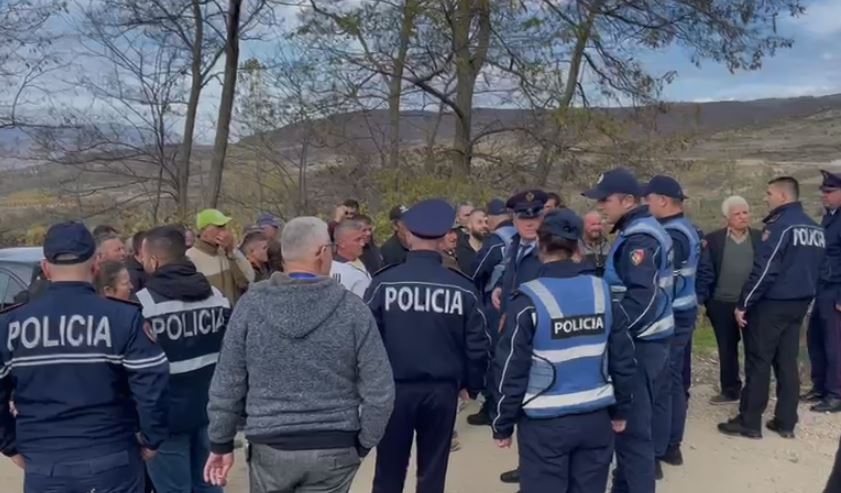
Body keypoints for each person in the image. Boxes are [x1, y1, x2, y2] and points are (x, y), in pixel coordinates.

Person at [204, 217, 395, 492]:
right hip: (335, 444)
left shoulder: (250, 306)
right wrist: (365, 442)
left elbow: (227, 381)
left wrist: (220, 441)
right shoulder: (353, 310)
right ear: (322, 252)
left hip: (270, 444)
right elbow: (380, 390)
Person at [0, 221, 169, 493]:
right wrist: (152, 439)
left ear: (45, 268)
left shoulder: (10, 325)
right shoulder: (123, 317)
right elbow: (152, 386)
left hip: (45, 464)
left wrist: (9, 445)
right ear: (96, 266)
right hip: (113, 460)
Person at [491, 209, 636, 493]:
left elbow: (511, 367)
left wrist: (503, 423)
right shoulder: (602, 292)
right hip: (596, 418)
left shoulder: (528, 299)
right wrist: (621, 410)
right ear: (578, 247)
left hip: (545, 424)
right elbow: (623, 357)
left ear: (540, 245)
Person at [365, 199, 490, 493]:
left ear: (408, 235)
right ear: (445, 237)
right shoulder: (461, 286)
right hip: (441, 391)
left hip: (393, 390)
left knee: (388, 470)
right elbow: (478, 344)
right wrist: (472, 385)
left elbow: (366, 339)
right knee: (433, 471)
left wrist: (368, 385)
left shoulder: (384, 283)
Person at [582, 167, 675, 493]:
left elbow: (643, 300)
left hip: (640, 345)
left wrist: (615, 336)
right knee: (631, 431)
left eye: (605, 200)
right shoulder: (640, 230)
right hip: (650, 343)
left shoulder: (639, 239)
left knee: (633, 433)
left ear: (627, 200)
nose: (600, 207)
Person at [719, 176, 825, 440]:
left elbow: (766, 269)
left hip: (772, 305)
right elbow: (819, 269)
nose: (766, 198)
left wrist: (744, 303)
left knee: (759, 361)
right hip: (799, 304)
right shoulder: (815, 228)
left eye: (769, 193)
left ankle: (750, 422)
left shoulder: (781, 227)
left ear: (782, 196)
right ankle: (786, 421)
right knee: (787, 361)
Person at [134, 226, 231, 493]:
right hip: (211, 412)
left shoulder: (142, 304)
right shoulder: (217, 297)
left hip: (166, 419)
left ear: (154, 261)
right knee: (209, 485)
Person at [644, 175, 701, 475]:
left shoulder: (672, 234)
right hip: (684, 310)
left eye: (649, 199)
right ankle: (671, 446)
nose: (646, 204)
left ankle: (657, 450)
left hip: (674, 314)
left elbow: (664, 279)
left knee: (662, 383)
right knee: (674, 380)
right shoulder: (685, 228)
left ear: (663, 201)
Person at [696, 196, 762, 404]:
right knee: (726, 348)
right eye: (737, 213)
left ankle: (754, 391)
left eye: (745, 212)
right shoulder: (713, 240)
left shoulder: (760, 238)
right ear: (727, 217)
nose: (743, 217)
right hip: (721, 303)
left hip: (751, 304)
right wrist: (705, 300)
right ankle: (730, 390)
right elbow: (706, 269)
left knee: (754, 348)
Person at [468, 198, 516, 427]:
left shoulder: (497, 240)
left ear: (492, 218)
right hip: (519, 301)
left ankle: (493, 408)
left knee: (495, 356)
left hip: (495, 303)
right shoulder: (522, 236)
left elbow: (477, 269)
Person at [805, 170, 841, 413]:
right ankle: (820, 386)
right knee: (815, 338)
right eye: (823, 192)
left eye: (830, 192)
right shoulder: (830, 217)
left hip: (836, 289)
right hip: (822, 286)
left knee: (834, 343)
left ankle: (836, 393)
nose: (824, 196)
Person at [187, 209, 254, 305]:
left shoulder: (226, 253)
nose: (224, 231)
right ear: (204, 231)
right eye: (219, 227)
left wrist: (231, 251)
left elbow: (249, 278)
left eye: (224, 227)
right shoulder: (190, 258)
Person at [331, 219, 373, 298]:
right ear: (342, 243)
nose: (362, 244)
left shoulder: (359, 260)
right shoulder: (336, 270)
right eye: (357, 240)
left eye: (362, 239)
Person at [456, 208, 489, 275]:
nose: (484, 226)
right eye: (479, 222)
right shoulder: (459, 250)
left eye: (486, 222)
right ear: (469, 225)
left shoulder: (492, 249)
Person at [581, 211, 611, 276]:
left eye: (599, 224)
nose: (597, 228)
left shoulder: (610, 246)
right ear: (584, 226)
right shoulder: (577, 247)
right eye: (593, 224)